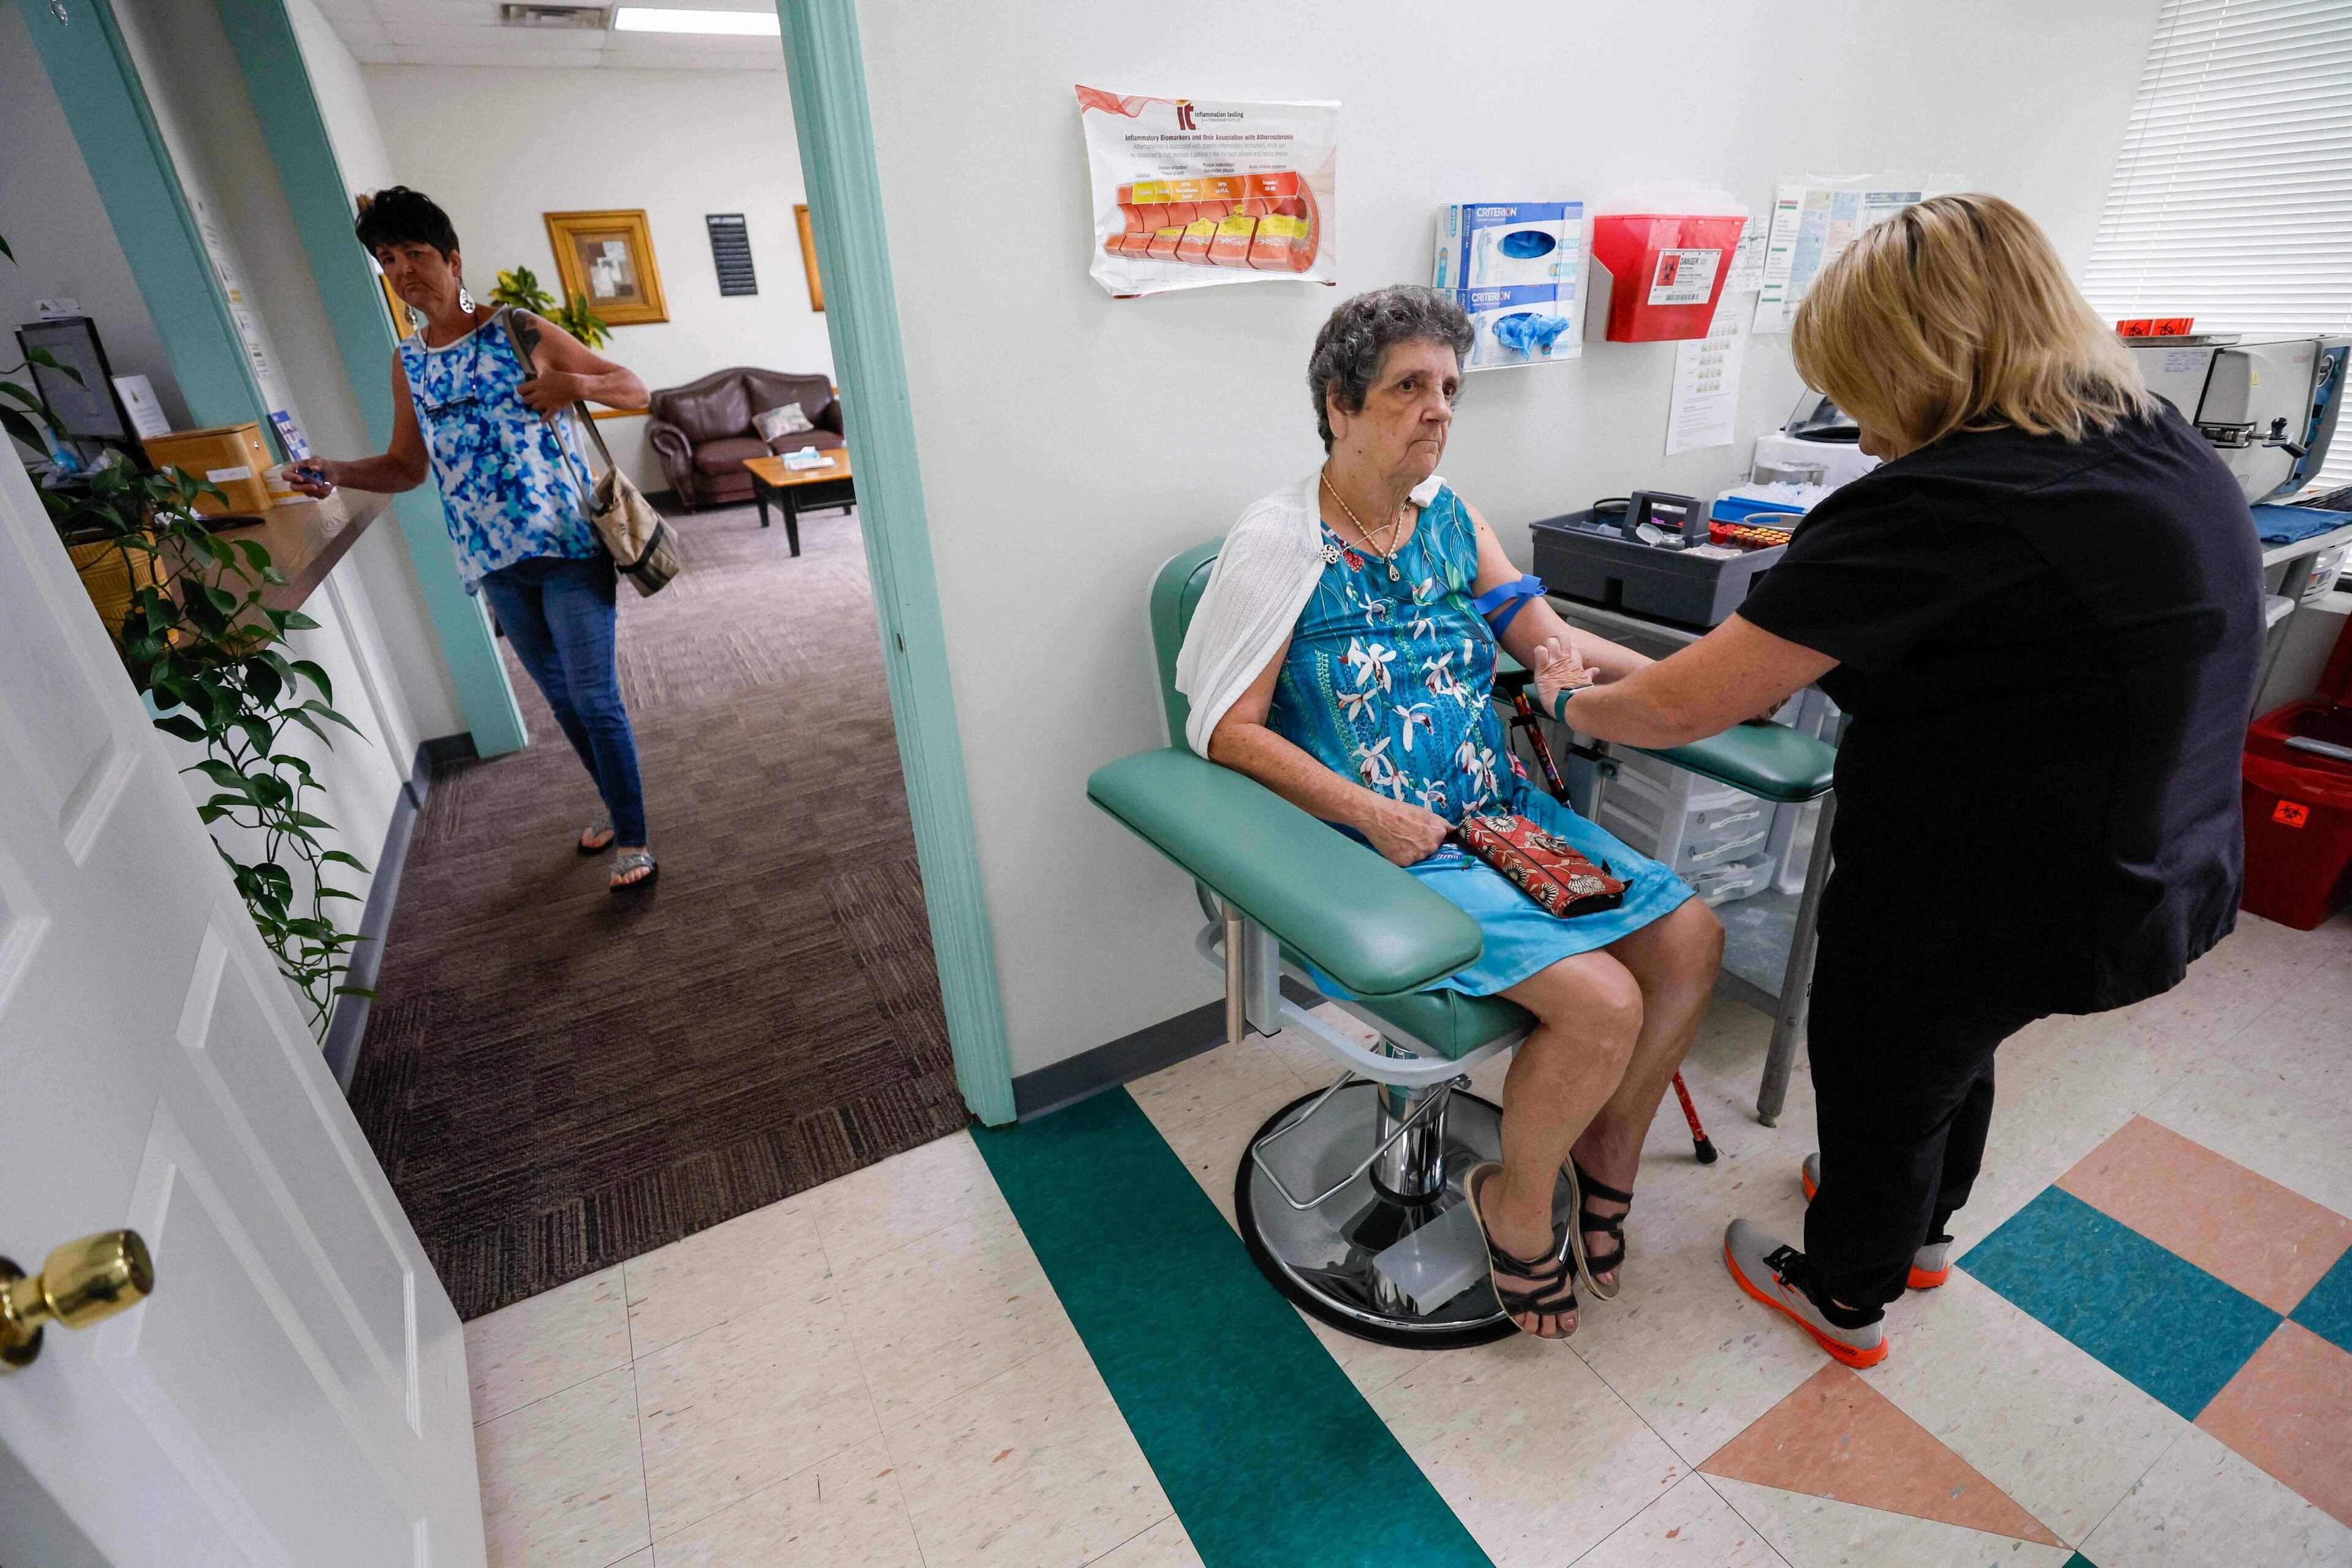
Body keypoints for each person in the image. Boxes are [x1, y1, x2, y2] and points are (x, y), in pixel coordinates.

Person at [1531, 194, 2264, 1367]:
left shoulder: (1948, 499)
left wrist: (1565, 696)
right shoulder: (2142, 432)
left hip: (1994, 880)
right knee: (1950, 1051)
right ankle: (1920, 1230)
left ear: (1925, 362)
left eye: (1864, 390)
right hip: (2154, 863)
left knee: (1882, 1056)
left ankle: (1847, 1288)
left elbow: (1687, 702)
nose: (1863, 433)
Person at [1178, 285, 1727, 1341]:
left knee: (1692, 937)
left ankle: (1605, 1154)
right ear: (1340, 405)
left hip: (1495, 813)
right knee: (1606, 1002)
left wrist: (1683, 682)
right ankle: (1515, 1205)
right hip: (1376, 851)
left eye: (1450, 390)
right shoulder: (1280, 543)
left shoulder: (1450, 518)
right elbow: (1227, 731)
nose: (1438, 410)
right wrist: (1370, 814)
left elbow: (1535, 627)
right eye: (1409, 389)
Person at [291, 187, 658, 890]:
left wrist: (569, 383)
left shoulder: (514, 329)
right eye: (388, 258)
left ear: (454, 260)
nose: (404, 271)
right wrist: (335, 469)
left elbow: (634, 388)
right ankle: (616, 806)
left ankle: (634, 839)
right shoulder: (410, 363)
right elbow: (405, 466)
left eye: (417, 254)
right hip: (494, 565)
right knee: (559, 699)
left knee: (594, 696)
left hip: (568, 549)